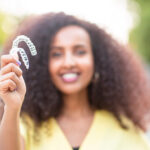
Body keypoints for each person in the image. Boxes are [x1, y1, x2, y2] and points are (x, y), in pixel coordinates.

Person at [0, 12, 150, 150]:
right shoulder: (28, 126)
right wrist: (12, 107)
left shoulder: (123, 127)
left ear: (97, 61)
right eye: (57, 54)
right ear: (44, 65)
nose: (69, 62)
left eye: (80, 52)